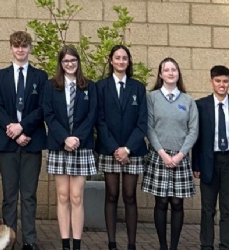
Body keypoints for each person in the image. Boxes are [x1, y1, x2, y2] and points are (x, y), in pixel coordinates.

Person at [0, 31, 48, 250]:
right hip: (7, 143)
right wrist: (13, 131)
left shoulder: (40, 77)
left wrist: (23, 128)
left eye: (24, 46)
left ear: (29, 48)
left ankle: (30, 240)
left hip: (32, 141)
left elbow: (43, 107)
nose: (20, 50)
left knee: (29, 194)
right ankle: (9, 238)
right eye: (16, 46)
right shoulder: (0, 76)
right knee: (9, 195)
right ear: (11, 48)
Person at [42, 46, 97, 250]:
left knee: (76, 196)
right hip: (59, 145)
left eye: (73, 60)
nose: (70, 64)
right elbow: (49, 115)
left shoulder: (89, 86)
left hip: (81, 147)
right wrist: (65, 138)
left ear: (78, 62)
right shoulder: (51, 86)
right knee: (63, 195)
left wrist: (77, 138)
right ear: (61, 64)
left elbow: (92, 115)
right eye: (66, 61)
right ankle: (65, 242)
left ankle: (77, 244)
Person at [142, 57, 198, 250]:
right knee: (161, 202)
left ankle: (174, 246)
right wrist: (163, 154)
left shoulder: (188, 100)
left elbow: (193, 130)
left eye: (174, 69)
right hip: (159, 155)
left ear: (178, 73)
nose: (171, 73)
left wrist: (180, 155)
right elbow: (149, 127)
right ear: (160, 74)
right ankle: (163, 246)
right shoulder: (152, 98)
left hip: (180, 158)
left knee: (176, 203)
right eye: (166, 70)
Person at [95, 45, 147, 250]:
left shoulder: (138, 88)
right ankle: (112, 242)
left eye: (124, 58)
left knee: (129, 195)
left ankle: (132, 244)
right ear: (111, 61)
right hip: (110, 149)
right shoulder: (101, 87)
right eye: (117, 58)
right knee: (111, 194)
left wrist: (128, 149)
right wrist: (115, 148)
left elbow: (142, 122)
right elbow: (99, 120)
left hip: (132, 151)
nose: (121, 61)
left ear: (129, 61)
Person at [192, 65, 229, 250]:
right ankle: (206, 245)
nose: (222, 85)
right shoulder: (200, 105)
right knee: (208, 208)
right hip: (209, 159)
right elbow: (196, 138)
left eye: (225, 81)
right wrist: (196, 164)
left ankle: (226, 244)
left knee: (228, 206)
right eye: (218, 81)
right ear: (211, 82)